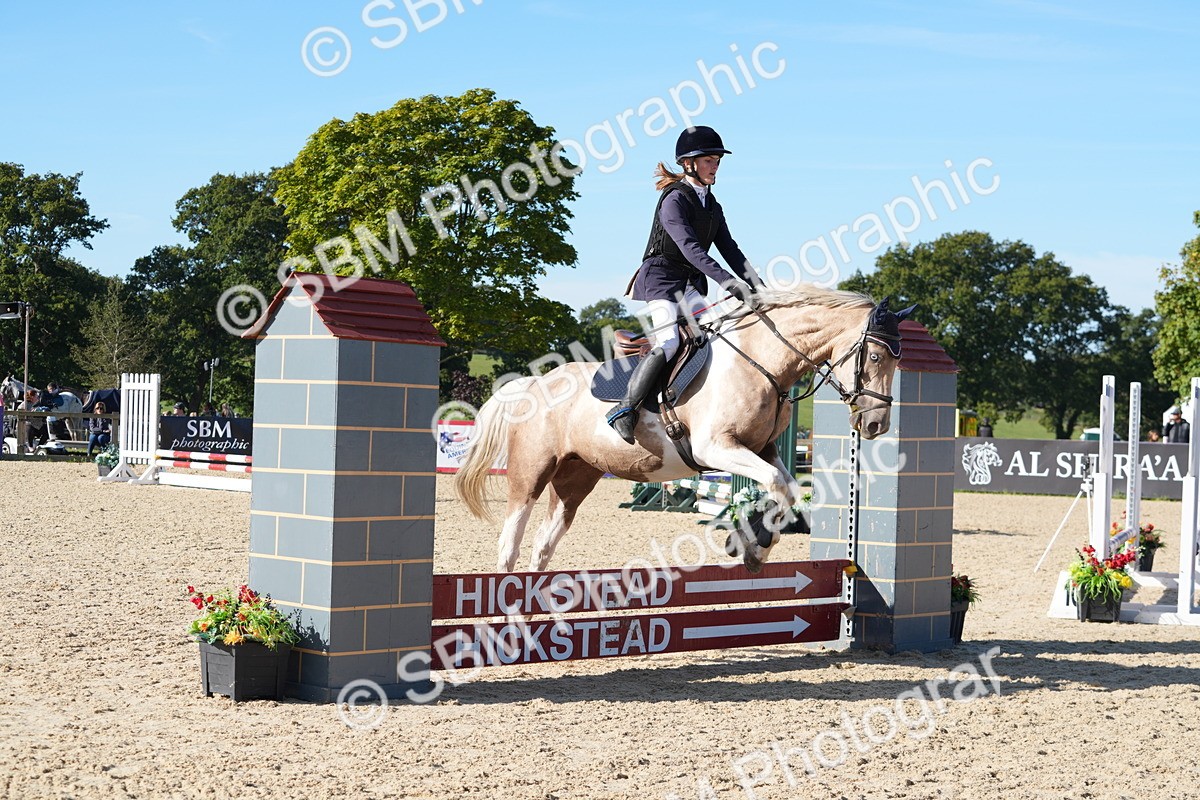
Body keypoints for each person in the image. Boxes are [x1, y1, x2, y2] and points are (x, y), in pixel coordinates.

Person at [607, 125, 765, 443]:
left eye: (717, 160)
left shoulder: (711, 204)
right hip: (662, 279)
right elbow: (691, 249)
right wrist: (728, 282)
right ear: (688, 163)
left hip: (689, 282)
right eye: (708, 160)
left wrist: (758, 286)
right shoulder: (674, 200)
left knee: (716, 335)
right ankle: (625, 410)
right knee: (669, 342)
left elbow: (730, 249)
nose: (715, 165)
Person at [20, 389, 48, 453]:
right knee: (29, 426)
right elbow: (20, 413)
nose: (37, 397)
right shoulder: (24, 404)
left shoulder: (38, 403)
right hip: (28, 423)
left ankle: (39, 446)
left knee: (46, 432)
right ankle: (30, 446)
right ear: (32, 397)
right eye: (36, 396)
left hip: (38, 423)